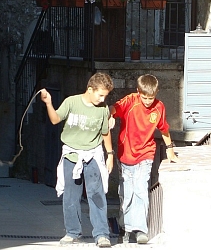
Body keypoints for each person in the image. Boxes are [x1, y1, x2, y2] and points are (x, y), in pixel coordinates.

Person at [40, 72, 115, 247]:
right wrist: (49, 103)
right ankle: (72, 232)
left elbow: (105, 133)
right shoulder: (71, 102)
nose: (103, 99)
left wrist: (110, 155)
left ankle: (102, 234)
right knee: (70, 196)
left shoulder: (102, 109)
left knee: (96, 195)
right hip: (72, 155)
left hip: (93, 155)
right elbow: (55, 119)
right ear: (90, 89)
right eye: (100, 94)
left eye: (105, 96)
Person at [109, 74, 178, 244]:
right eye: (145, 97)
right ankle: (125, 227)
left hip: (146, 154)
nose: (148, 101)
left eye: (151, 98)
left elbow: (164, 129)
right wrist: (110, 115)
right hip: (126, 155)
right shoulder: (131, 101)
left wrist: (170, 149)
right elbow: (114, 107)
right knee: (127, 193)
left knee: (141, 190)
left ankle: (140, 229)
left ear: (156, 93)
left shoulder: (159, 107)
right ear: (138, 92)